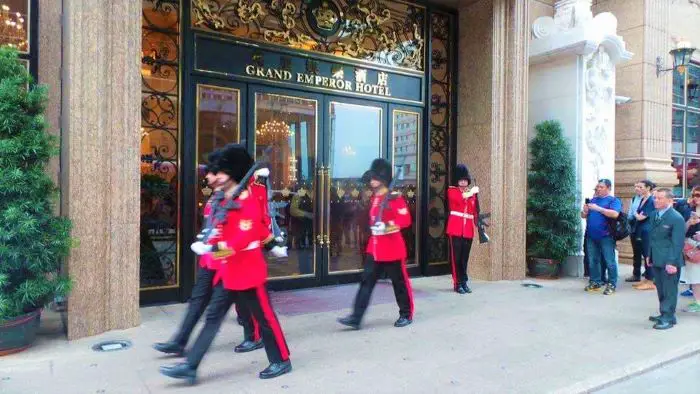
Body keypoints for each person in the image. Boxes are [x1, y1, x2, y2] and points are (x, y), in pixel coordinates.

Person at [160, 144, 291, 383]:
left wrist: (213, 248)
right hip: (229, 272)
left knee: (266, 319)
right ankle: (190, 366)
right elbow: (220, 228)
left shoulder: (249, 201)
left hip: (249, 271)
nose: (213, 177)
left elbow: (243, 237)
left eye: (219, 172)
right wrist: (208, 239)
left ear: (232, 173)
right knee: (213, 318)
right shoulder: (223, 199)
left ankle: (281, 359)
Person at [152, 149, 263, 356]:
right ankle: (180, 340)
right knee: (199, 300)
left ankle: (253, 335)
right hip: (211, 258)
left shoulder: (249, 195)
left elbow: (255, 226)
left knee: (244, 304)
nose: (210, 176)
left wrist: (271, 242)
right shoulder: (219, 195)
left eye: (216, 172)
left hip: (232, 257)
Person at [337, 158, 414, 329]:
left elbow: (405, 219)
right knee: (366, 281)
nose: (371, 181)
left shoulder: (393, 197)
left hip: (392, 248)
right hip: (376, 248)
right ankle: (356, 317)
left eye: (375, 177)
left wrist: (386, 227)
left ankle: (406, 313)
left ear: (383, 179)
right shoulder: (375, 198)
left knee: (399, 283)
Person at [647, 188, 685, 330]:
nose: (656, 200)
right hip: (656, 258)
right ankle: (665, 313)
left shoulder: (676, 218)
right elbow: (652, 238)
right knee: (661, 288)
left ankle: (668, 317)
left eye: (660, 198)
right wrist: (648, 256)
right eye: (655, 198)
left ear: (669, 200)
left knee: (669, 289)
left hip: (670, 260)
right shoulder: (654, 215)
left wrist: (671, 262)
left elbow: (677, 243)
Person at [581, 179, 622, 295]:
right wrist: (584, 212)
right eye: (597, 187)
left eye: (601, 187)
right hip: (591, 236)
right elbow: (584, 216)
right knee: (593, 260)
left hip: (606, 236)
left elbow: (615, 214)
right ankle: (595, 281)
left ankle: (612, 284)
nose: (598, 189)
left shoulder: (613, 200)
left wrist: (598, 208)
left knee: (609, 261)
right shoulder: (593, 200)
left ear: (608, 188)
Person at [446, 164, 478, 294]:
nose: (463, 182)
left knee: (465, 258)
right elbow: (459, 199)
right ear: (457, 181)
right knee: (456, 258)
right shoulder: (452, 191)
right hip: (455, 228)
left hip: (468, 229)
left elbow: (474, 211)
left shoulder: (471, 194)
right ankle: (457, 283)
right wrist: (472, 192)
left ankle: (464, 282)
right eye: (461, 180)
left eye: (465, 180)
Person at [626, 180, 656, 290]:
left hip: (647, 230)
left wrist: (634, 213)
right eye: (636, 186)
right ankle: (646, 279)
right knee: (640, 253)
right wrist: (635, 214)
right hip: (639, 230)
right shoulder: (641, 199)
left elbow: (640, 217)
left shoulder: (651, 200)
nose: (638, 188)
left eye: (640, 186)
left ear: (648, 188)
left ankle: (650, 280)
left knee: (647, 255)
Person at [680, 186, 700, 313]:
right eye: (694, 195)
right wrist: (689, 223)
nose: (696, 198)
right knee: (694, 276)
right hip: (692, 247)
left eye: (698, 195)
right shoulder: (689, 210)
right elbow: (682, 231)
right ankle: (698, 302)